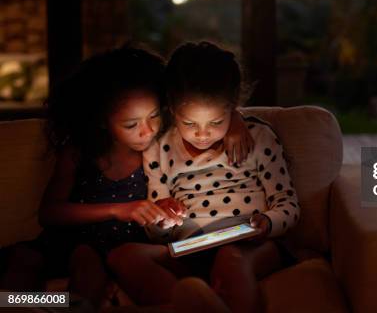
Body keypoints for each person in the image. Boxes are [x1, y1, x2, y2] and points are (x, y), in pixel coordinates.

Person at [0, 46, 253, 308]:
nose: (147, 131)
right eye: (131, 125)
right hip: (76, 240)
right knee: (28, 266)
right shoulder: (81, 152)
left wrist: (234, 119)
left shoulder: (165, 143)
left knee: (92, 276)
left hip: (129, 246)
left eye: (154, 116)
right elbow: (49, 213)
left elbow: (203, 103)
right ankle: (26, 304)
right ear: (102, 121)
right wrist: (118, 210)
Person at [108, 41, 300, 313]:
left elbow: (288, 205)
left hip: (247, 243)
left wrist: (267, 223)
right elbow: (155, 232)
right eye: (189, 124)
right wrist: (162, 216)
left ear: (232, 108)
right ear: (172, 109)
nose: (202, 134)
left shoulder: (258, 138)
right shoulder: (159, 147)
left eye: (216, 122)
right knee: (124, 256)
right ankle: (193, 302)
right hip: (191, 246)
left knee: (230, 259)